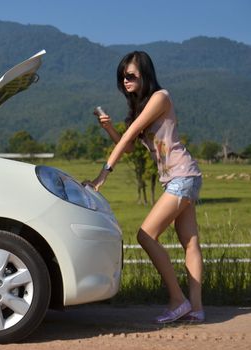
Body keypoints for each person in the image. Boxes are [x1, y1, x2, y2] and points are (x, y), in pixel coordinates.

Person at [89, 51, 204, 324]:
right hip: (180, 178)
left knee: (145, 235)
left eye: (130, 75)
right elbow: (128, 145)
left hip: (182, 176)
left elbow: (130, 134)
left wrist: (103, 175)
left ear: (145, 75)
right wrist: (109, 129)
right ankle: (196, 309)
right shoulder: (141, 107)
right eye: (122, 77)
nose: (125, 81)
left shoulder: (160, 97)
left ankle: (178, 300)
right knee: (190, 242)